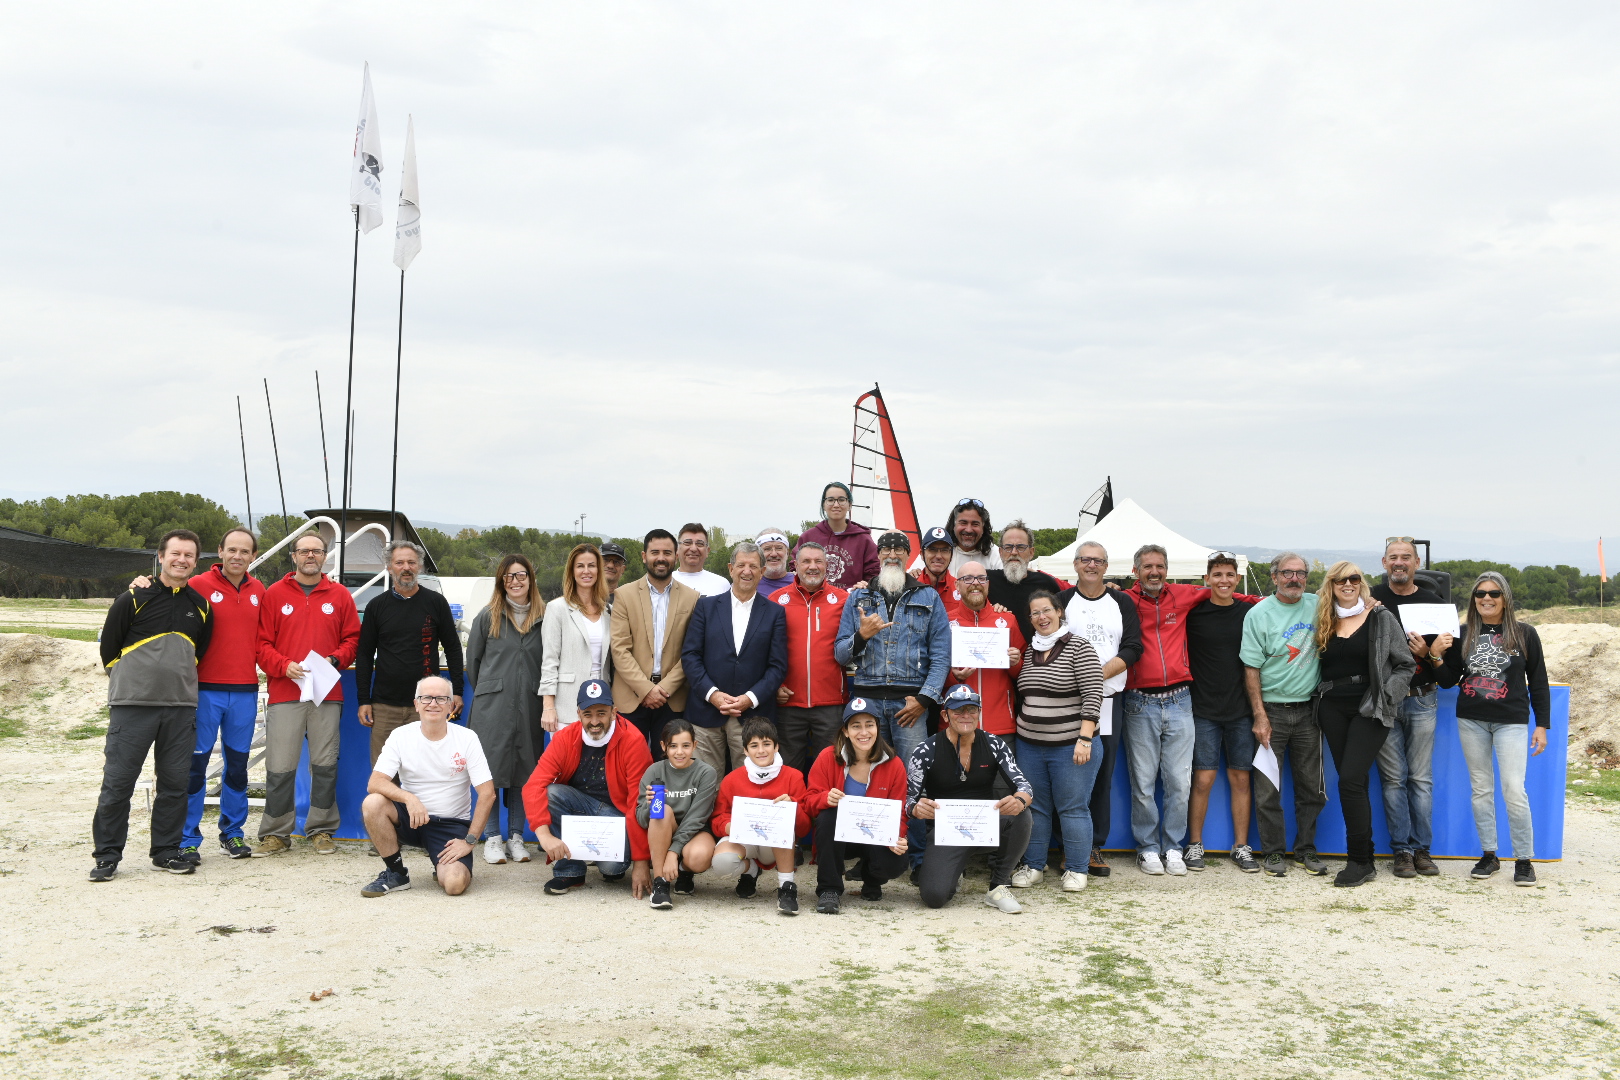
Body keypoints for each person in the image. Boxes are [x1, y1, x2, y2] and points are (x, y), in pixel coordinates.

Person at [1121, 544, 1256, 876]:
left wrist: (1267, 600)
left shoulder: (1182, 595)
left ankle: (1173, 846)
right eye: (1148, 566)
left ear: (1167, 569)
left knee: (1180, 782)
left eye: (1160, 566)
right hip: (1140, 700)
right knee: (1143, 782)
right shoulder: (1124, 599)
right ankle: (1148, 848)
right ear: (1136, 570)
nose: (1155, 572)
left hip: (1181, 699)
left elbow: (1228, 595)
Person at [89, 529, 213, 881]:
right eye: (175, 553)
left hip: (179, 708)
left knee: (174, 784)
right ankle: (108, 857)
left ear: (195, 561)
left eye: (189, 555)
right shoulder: (132, 597)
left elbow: (197, 653)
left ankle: (166, 852)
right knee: (118, 784)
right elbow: (109, 649)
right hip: (133, 706)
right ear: (161, 556)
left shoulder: (200, 606)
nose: (182, 560)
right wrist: (133, 680)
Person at [145, 527, 264, 864]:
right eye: (232, 550)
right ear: (220, 552)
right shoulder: (198, 585)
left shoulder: (260, 591)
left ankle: (233, 834)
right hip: (204, 691)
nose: (237, 556)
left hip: (244, 691)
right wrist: (142, 582)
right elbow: (163, 592)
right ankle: (187, 839)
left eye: (245, 551)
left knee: (238, 768)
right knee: (195, 768)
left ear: (253, 556)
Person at [1435, 572, 1551, 886]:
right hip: (1471, 719)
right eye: (1480, 593)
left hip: (1511, 721)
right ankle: (1489, 855)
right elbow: (1448, 680)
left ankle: (1524, 860)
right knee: (1481, 789)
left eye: (1494, 593)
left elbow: (1538, 682)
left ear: (1505, 598)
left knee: (1514, 790)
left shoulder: (1525, 634)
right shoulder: (1462, 634)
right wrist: (1433, 655)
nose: (1487, 598)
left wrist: (1542, 725)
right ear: (1473, 599)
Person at [251, 532, 360, 857]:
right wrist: (283, 666)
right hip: (286, 691)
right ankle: (275, 833)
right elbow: (261, 645)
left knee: (325, 763)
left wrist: (335, 659)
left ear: (325, 556)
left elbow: (353, 639)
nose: (310, 555)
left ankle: (322, 830)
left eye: (317, 551)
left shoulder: (340, 595)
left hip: (326, 692)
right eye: (304, 551)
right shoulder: (274, 594)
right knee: (280, 765)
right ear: (293, 556)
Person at [1310, 562, 1417, 887]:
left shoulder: (1380, 618)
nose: (1348, 584)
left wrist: (1388, 694)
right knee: (1350, 782)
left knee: (1351, 780)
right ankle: (1362, 859)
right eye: (1341, 579)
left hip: (1369, 707)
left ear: (1361, 583)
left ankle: (1360, 861)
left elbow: (1405, 664)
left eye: (1354, 578)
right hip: (1331, 706)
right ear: (1331, 584)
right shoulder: (1323, 619)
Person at [834, 531, 952, 808]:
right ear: (877, 556)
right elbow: (840, 654)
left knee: (915, 777)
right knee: (870, 775)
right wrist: (861, 636)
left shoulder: (929, 597)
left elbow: (941, 655)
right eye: (886, 550)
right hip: (868, 704)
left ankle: (913, 847)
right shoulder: (858, 597)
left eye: (899, 549)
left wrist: (924, 700)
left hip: (910, 706)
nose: (892, 554)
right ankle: (872, 847)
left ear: (909, 555)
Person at [358, 676, 495, 898]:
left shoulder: (467, 738)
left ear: (451, 705)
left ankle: (444, 864)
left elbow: (487, 794)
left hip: (450, 826)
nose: (433, 703)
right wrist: (409, 799)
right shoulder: (400, 735)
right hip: (411, 818)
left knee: (454, 885)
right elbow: (375, 782)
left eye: (441, 698)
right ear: (416, 704)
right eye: (426, 698)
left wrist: (470, 841)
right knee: (373, 803)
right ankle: (396, 873)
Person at [1008, 591, 1105, 892]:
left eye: (1047, 610)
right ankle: (1034, 865)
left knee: (1073, 808)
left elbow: (1093, 693)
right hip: (1029, 745)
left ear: (1060, 612)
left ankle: (1077, 869)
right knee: (1034, 807)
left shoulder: (1080, 647)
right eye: (1035, 613)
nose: (1041, 617)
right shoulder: (1029, 652)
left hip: (1072, 745)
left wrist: (1085, 738)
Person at [1056, 542, 1143, 878]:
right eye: (1085, 559)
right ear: (1075, 564)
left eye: (1098, 560)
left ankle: (1093, 846)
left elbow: (1134, 646)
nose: (1091, 565)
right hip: (1068, 702)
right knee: (1068, 775)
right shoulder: (1063, 601)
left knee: (1100, 777)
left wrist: (1095, 675)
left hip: (1108, 702)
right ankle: (1066, 847)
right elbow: (1050, 639)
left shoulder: (1121, 601)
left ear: (1106, 566)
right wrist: (1079, 679)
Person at [908, 685, 1034, 913]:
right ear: (945, 715)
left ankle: (998, 886)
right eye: (958, 711)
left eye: (971, 710)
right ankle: (951, 872)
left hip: (984, 826)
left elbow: (1024, 785)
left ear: (979, 713)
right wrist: (916, 809)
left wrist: (1020, 800)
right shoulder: (925, 750)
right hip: (946, 832)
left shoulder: (994, 743)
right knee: (934, 897)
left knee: (1021, 814)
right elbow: (908, 799)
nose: (965, 716)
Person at [524, 679, 655, 897]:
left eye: (601, 713)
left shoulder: (632, 740)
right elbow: (533, 786)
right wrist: (544, 835)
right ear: (578, 714)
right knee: (551, 793)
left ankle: (615, 862)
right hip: (581, 808)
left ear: (614, 712)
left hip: (618, 815)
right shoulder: (566, 737)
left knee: (611, 868)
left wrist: (641, 864)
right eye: (588, 714)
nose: (595, 721)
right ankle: (570, 870)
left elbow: (637, 802)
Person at [1240, 552, 1327, 877]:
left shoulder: (1318, 605)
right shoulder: (1259, 614)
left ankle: (1306, 850)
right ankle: (1273, 853)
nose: (1295, 579)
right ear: (1274, 577)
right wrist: (1259, 716)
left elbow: (1356, 602)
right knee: (1267, 790)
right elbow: (1250, 668)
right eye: (1287, 573)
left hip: (1310, 712)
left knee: (1311, 788)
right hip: (1272, 712)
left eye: (1300, 573)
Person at [1371, 537, 1447, 878]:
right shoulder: (1370, 598)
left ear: (1417, 563)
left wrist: (1425, 655)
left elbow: (1447, 662)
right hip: (1385, 701)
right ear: (1384, 563)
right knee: (1392, 780)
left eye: (1406, 557)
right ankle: (1401, 851)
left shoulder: (1433, 602)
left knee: (1420, 779)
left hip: (1422, 698)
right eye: (1393, 557)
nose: (1399, 562)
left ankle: (1422, 850)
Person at [465, 553, 545, 866]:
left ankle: (516, 836)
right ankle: (493, 837)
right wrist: (494, 687)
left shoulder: (544, 617)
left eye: (521, 575)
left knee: (523, 771)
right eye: (509, 576)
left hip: (530, 704)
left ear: (530, 579)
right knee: (492, 771)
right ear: (501, 580)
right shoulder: (488, 617)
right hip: (493, 707)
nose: (515, 581)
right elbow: (473, 663)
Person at [682, 541, 789, 773]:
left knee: (750, 785)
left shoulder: (775, 613)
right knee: (706, 786)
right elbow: (690, 656)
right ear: (731, 569)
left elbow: (777, 667)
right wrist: (713, 695)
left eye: (753, 566)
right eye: (741, 565)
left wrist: (750, 698)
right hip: (706, 713)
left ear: (762, 572)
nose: (746, 571)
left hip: (752, 716)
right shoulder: (705, 607)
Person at [1185, 553, 1262, 873]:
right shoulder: (1194, 614)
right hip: (1203, 709)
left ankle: (1241, 847)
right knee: (1202, 779)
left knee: (1241, 779)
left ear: (1237, 578)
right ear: (1207, 579)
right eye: (1217, 575)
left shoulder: (1250, 612)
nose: (1224, 581)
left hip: (1241, 710)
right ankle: (1194, 845)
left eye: (1230, 575)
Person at [356, 540, 465, 763]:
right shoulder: (376, 606)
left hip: (428, 705)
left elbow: (453, 648)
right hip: (384, 706)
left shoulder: (436, 602)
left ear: (420, 567)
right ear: (389, 567)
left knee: (427, 771)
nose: (406, 567)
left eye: (411, 562)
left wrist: (457, 691)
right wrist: (363, 700)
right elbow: (365, 655)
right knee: (384, 775)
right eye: (399, 562)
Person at [804, 699, 911, 913]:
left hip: (874, 836)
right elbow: (808, 802)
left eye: (869, 724)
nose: (864, 732)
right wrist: (825, 798)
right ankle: (829, 889)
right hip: (841, 838)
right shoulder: (827, 757)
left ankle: (871, 880)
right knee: (827, 816)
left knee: (898, 861)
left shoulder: (894, 764)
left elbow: (900, 812)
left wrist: (897, 838)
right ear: (845, 731)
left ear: (877, 728)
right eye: (856, 726)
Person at [610, 529, 700, 753]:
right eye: (655, 552)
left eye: (667, 552)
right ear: (644, 556)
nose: (661, 558)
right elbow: (620, 649)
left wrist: (663, 689)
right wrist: (646, 689)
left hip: (673, 699)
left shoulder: (692, 597)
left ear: (676, 557)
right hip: (631, 697)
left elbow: (691, 651)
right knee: (630, 765)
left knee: (669, 768)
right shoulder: (624, 595)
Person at [711, 717, 811, 915]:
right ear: (746, 751)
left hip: (774, 844)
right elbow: (717, 817)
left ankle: (787, 887)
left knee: (783, 829)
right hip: (744, 841)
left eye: (766, 744)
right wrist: (728, 826)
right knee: (722, 863)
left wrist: (793, 808)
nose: (761, 750)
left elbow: (804, 828)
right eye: (754, 745)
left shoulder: (793, 776)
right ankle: (750, 871)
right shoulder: (732, 779)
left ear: (776, 747)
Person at [769, 542, 850, 777]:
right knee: (787, 771)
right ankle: (793, 814)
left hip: (831, 704)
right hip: (788, 704)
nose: (812, 567)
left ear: (827, 566)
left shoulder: (844, 600)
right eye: (806, 561)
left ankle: (825, 814)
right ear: (795, 565)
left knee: (830, 771)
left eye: (818, 561)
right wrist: (774, 686)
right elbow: (764, 649)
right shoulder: (776, 600)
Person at [636, 719, 720, 909]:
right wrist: (650, 805)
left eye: (686, 745)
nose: (679, 752)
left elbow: (697, 817)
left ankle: (683, 870)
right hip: (664, 830)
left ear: (695, 745)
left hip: (695, 831)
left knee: (698, 858)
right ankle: (661, 883)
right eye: (673, 746)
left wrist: (673, 852)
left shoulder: (706, 772)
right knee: (662, 811)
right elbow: (641, 819)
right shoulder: (654, 771)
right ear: (663, 746)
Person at [944, 561, 1025, 738]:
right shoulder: (944, 621)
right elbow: (933, 668)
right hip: (956, 726)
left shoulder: (1007, 620)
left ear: (988, 583)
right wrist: (954, 676)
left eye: (981, 578)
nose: (975, 583)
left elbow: (1023, 673)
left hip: (1001, 724)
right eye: (968, 578)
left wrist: (1015, 662)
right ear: (957, 585)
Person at [541, 544, 616, 731]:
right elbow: (549, 661)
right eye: (580, 566)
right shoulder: (556, 608)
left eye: (591, 565)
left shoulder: (609, 612)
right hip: (568, 705)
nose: (586, 571)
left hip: (602, 705)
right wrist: (548, 707)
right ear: (572, 571)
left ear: (599, 570)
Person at [987, 519, 1069, 642]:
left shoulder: (1046, 584)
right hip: (997, 656)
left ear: (1031, 552)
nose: (1014, 552)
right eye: (1008, 547)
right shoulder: (985, 581)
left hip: (1040, 657)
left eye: (1021, 547)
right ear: (1000, 552)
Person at [797, 481, 879, 590]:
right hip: (815, 600)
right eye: (830, 500)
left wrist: (865, 586)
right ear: (823, 505)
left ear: (849, 505)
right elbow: (796, 566)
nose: (836, 505)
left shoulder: (863, 539)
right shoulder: (808, 537)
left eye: (841, 500)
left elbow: (873, 575)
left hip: (850, 602)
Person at [672, 523, 730, 597]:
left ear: (707, 551)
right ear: (677, 549)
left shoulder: (722, 585)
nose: (693, 549)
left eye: (700, 544)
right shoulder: (664, 583)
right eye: (687, 543)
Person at [914, 526, 958, 605]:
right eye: (932, 550)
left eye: (945, 550)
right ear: (922, 554)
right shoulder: (909, 587)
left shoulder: (961, 589)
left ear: (951, 556)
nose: (938, 556)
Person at [755, 529, 797, 598]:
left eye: (779, 548)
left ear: (787, 553)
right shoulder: (747, 586)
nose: (773, 554)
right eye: (767, 549)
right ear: (758, 555)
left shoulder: (802, 583)